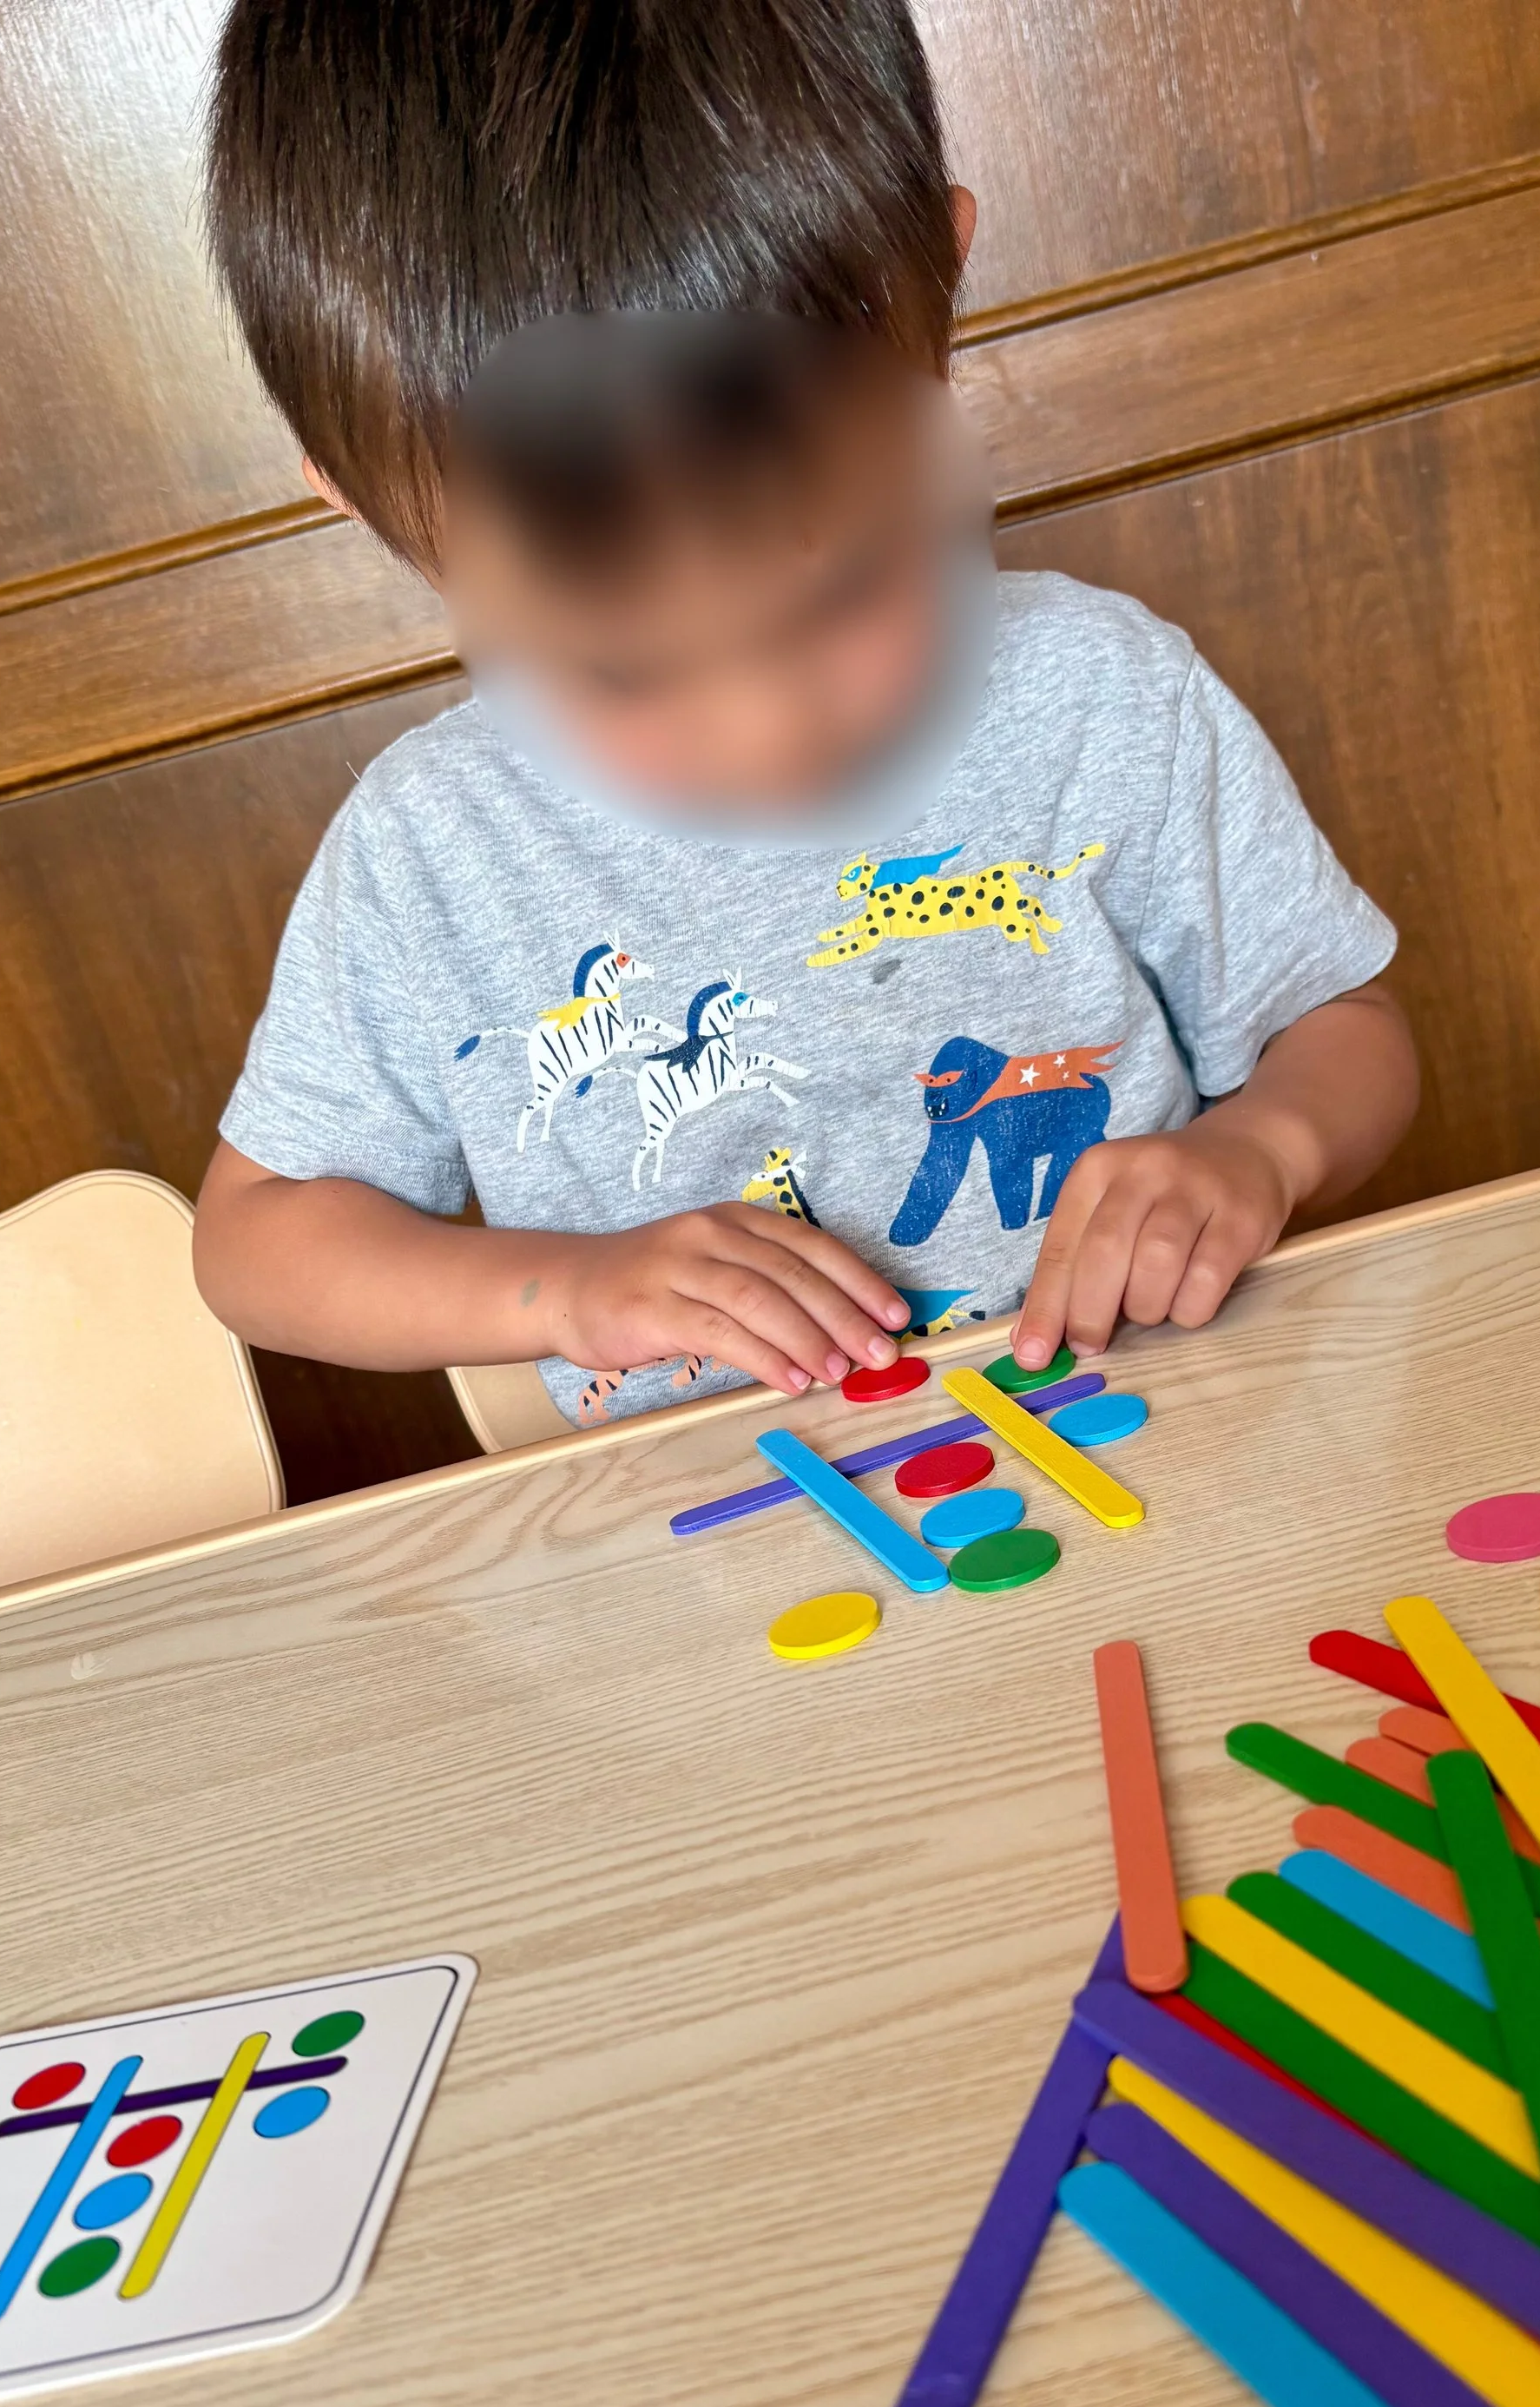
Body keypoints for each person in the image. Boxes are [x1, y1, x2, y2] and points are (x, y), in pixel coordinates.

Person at [192, 0, 1418, 1429]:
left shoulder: (1102, 698)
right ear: (363, 508)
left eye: (842, 593)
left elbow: (1348, 1027)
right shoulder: (429, 854)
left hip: (1169, 1456)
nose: (771, 729)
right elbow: (256, 1238)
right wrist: (565, 1290)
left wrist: (1261, 1147)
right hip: (752, 1577)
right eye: (624, 667)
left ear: (939, 303)